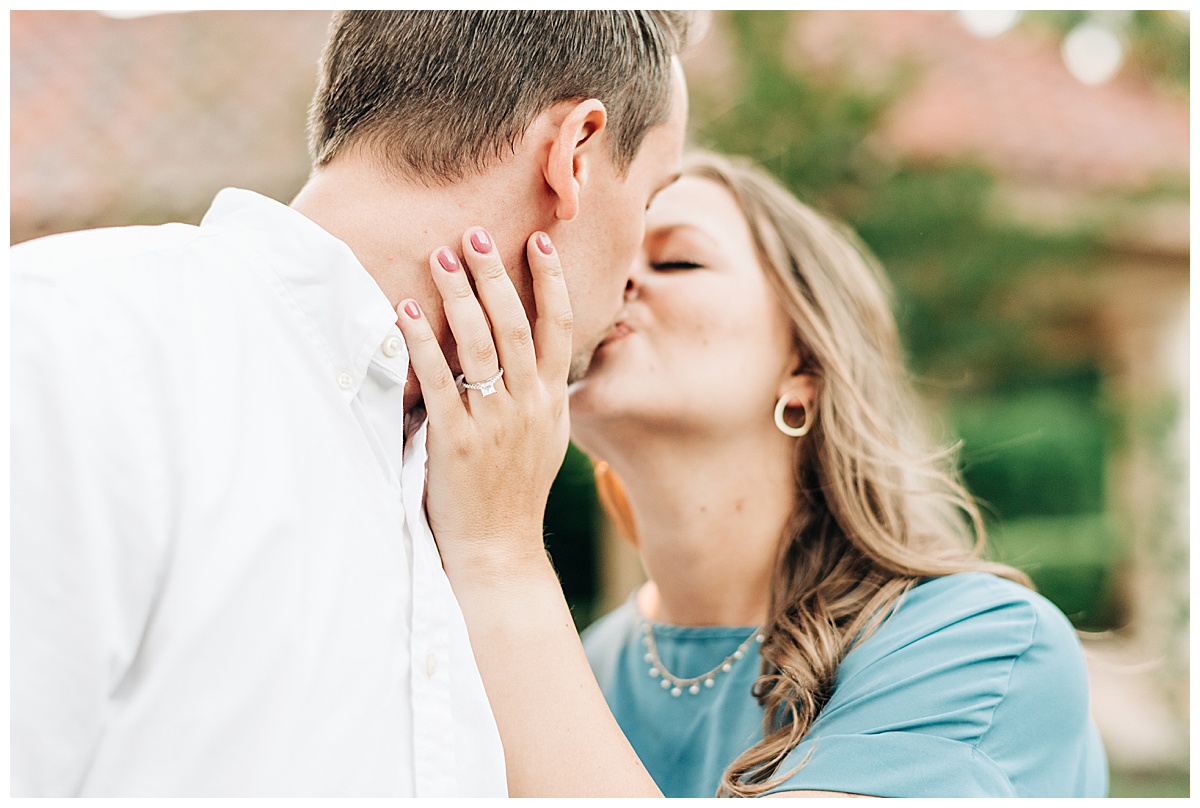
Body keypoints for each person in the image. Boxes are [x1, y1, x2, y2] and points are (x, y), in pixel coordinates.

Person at [10, 10, 690, 797]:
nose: (638, 270)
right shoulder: (66, 342)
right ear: (574, 153)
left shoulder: (477, 490)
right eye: (652, 197)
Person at [396, 151, 1109, 797]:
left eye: (677, 262)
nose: (618, 283)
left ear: (803, 367)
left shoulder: (981, 649)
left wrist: (498, 552)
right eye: (610, 256)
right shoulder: (573, 665)